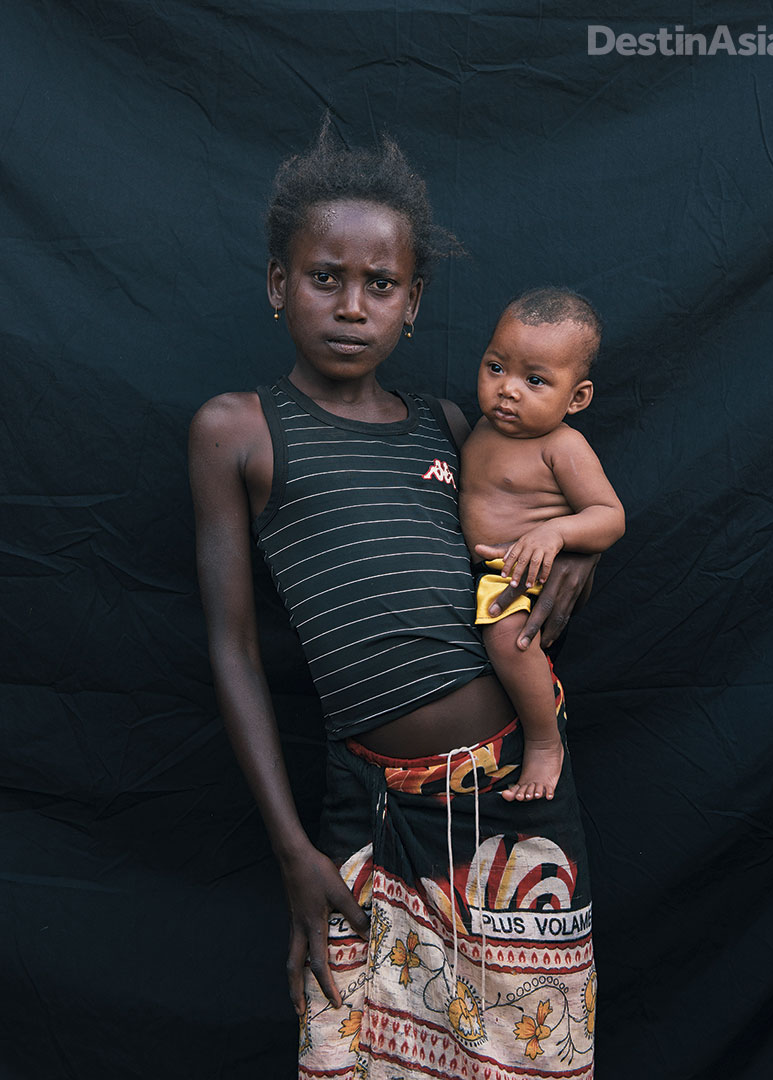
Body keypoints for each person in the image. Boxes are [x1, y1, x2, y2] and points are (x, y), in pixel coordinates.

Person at [189, 122, 599, 1079]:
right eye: (324, 276)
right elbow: (232, 651)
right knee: (359, 1046)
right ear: (277, 285)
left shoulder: (451, 425)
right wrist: (291, 848)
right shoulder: (236, 431)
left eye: (380, 285)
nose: (350, 305)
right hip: (365, 808)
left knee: (525, 1049)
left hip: (513, 793)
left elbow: (540, 526)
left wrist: (577, 561)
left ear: (412, 304)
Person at [460, 288, 625, 802]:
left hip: (522, 575)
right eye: (495, 368)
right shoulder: (479, 432)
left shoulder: (561, 445)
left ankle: (544, 741)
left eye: (534, 380)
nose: (508, 390)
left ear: (576, 398)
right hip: (477, 573)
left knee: (508, 635)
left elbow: (610, 516)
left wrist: (554, 532)